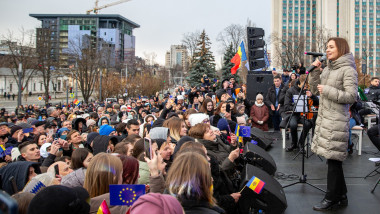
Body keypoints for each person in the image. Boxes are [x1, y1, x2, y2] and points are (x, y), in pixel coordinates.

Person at [309, 37, 358, 211]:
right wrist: (315, 71)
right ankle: (342, 195)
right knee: (333, 160)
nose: (327, 50)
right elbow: (315, 90)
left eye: (331, 47)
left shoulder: (348, 70)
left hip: (336, 120)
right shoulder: (328, 70)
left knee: (333, 161)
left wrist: (328, 90)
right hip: (325, 119)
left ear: (341, 48)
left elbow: (352, 96)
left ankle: (331, 198)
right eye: (326, 47)